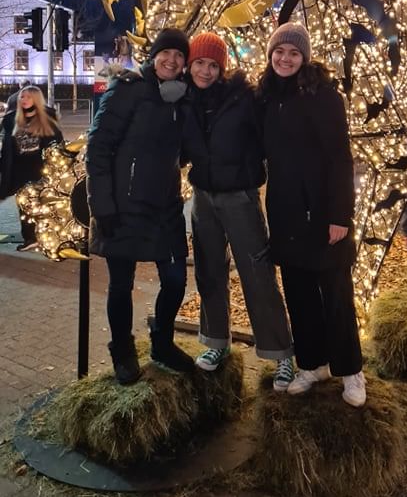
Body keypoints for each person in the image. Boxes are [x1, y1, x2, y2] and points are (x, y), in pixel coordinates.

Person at [257, 22, 366, 407]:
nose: (285, 59)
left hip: (322, 214)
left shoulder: (323, 96)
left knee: (335, 294)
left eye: (293, 53)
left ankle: (351, 370)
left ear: (304, 57)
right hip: (286, 214)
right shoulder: (267, 98)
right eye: (279, 52)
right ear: (270, 57)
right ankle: (311, 364)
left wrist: (340, 215)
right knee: (300, 294)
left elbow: (341, 157)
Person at [182, 32, 294, 392]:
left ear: (222, 68)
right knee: (209, 272)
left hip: (240, 196)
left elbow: (270, 131)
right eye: (199, 62)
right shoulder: (186, 99)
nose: (205, 70)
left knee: (257, 274)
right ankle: (216, 343)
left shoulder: (242, 96)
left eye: (212, 64)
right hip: (202, 195)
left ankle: (281, 354)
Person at [86, 28, 193, 385]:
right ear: (154, 55)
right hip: (124, 206)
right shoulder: (128, 89)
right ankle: (123, 350)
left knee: (176, 279)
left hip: (165, 207)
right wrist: (103, 206)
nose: (172, 60)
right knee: (121, 284)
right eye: (167, 53)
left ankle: (161, 342)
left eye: (179, 56)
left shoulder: (181, 97)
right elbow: (98, 149)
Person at [0, 85, 63, 251]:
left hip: (40, 169)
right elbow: (7, 147)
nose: (24, 100)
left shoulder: (46, 120)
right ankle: (30, 238)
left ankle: (46, 237)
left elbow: (56, 145)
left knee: (42, 204)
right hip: (18, 169)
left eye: (28, 97)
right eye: (22, 97)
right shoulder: (11, 120)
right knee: (23, 204)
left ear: (36, 99)